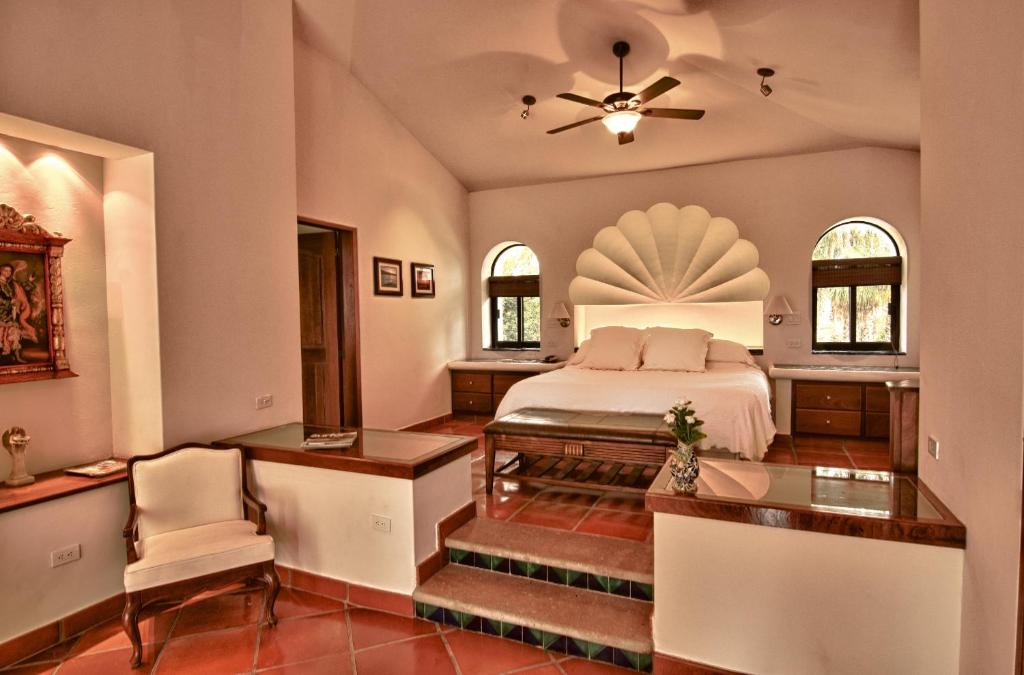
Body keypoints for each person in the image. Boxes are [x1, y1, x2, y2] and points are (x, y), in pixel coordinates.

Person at [0, 262, 37, 363]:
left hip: (10, 313)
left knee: (14, 333)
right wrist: (8, 302)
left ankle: (16, 356)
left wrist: (29, 281)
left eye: (9, 271)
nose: (8, 273)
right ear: (0, 271)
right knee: (2, 333)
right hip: (1, 312)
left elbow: (20, 290)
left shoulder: (9, 284)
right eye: (5, 270)